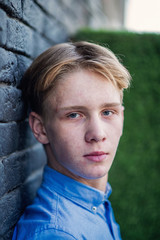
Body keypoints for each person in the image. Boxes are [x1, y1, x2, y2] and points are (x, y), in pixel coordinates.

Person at [12, 41, 131, 240]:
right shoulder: (57, 233)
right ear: (41, 128)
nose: (97, 133)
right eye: (74, 115)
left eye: (108, 112)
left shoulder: (95, 203)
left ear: (122, 117)